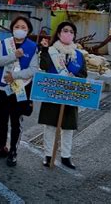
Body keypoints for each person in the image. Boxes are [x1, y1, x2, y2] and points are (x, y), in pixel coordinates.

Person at [0, 15, 39, 166]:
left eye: (23, 28)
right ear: (12, 28)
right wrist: (14, 55)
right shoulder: (4, 43)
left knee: (16, 121)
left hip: (20, 89)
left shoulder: (32, 46)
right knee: (1, 119)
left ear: (28, 30)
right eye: (17, 27)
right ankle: (2, 146)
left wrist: (15, 76)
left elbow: (33, 69)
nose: (20, 30)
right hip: (2, 87)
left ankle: (13, 151)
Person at [38, 21, 87, 169]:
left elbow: (84, 74)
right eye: (65, 31)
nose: (68, 34)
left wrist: (75, 76)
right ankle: (48, 155)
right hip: (52, 94)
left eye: (71, 32)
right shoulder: (51, 50)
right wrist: (44, 50)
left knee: (68, 128)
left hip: (70, 95)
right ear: (59, 33)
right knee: (50, 126)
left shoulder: (78, 55)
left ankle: (66, 156)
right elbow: (44, 66)